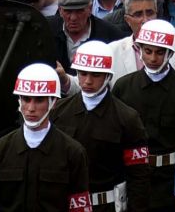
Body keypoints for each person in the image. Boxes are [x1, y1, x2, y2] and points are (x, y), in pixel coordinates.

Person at [49, 40, 152, 212]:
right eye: (82, 73)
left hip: (107, 205)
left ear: (108, 76)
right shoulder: (59, 112)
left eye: (96, 75)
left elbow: (139, 175)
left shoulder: (127, 118)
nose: (88, 81)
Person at [114, 20, 175, 212]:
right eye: (148, 51)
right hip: (133, 175)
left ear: (170, 53)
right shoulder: (123, 87)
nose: (153, 58)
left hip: (171, 178)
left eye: (160, 52)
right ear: (139, 50)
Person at [0, 63, 92, 212]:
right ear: (19, 101)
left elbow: (80, 208)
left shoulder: (73, 152)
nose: (31, 108)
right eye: (26, 99)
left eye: (39, 100)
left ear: (53, 102)